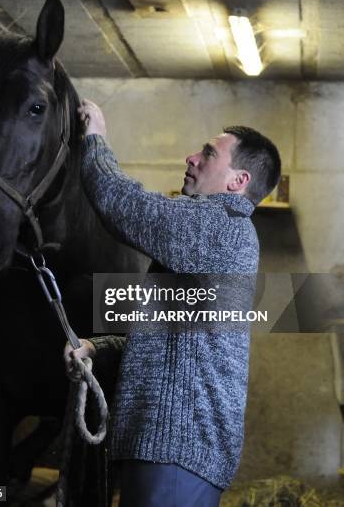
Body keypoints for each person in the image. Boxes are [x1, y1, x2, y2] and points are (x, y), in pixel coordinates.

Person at [64, 100, 281, 507]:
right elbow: (165, 346)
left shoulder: (222, 226)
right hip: (170, 452)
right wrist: (98, 348)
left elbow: (123, 204)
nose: (192, 158)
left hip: (174, 453)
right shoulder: (212, 240)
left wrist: (95, 138)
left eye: (209, 153)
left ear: (238, 181)